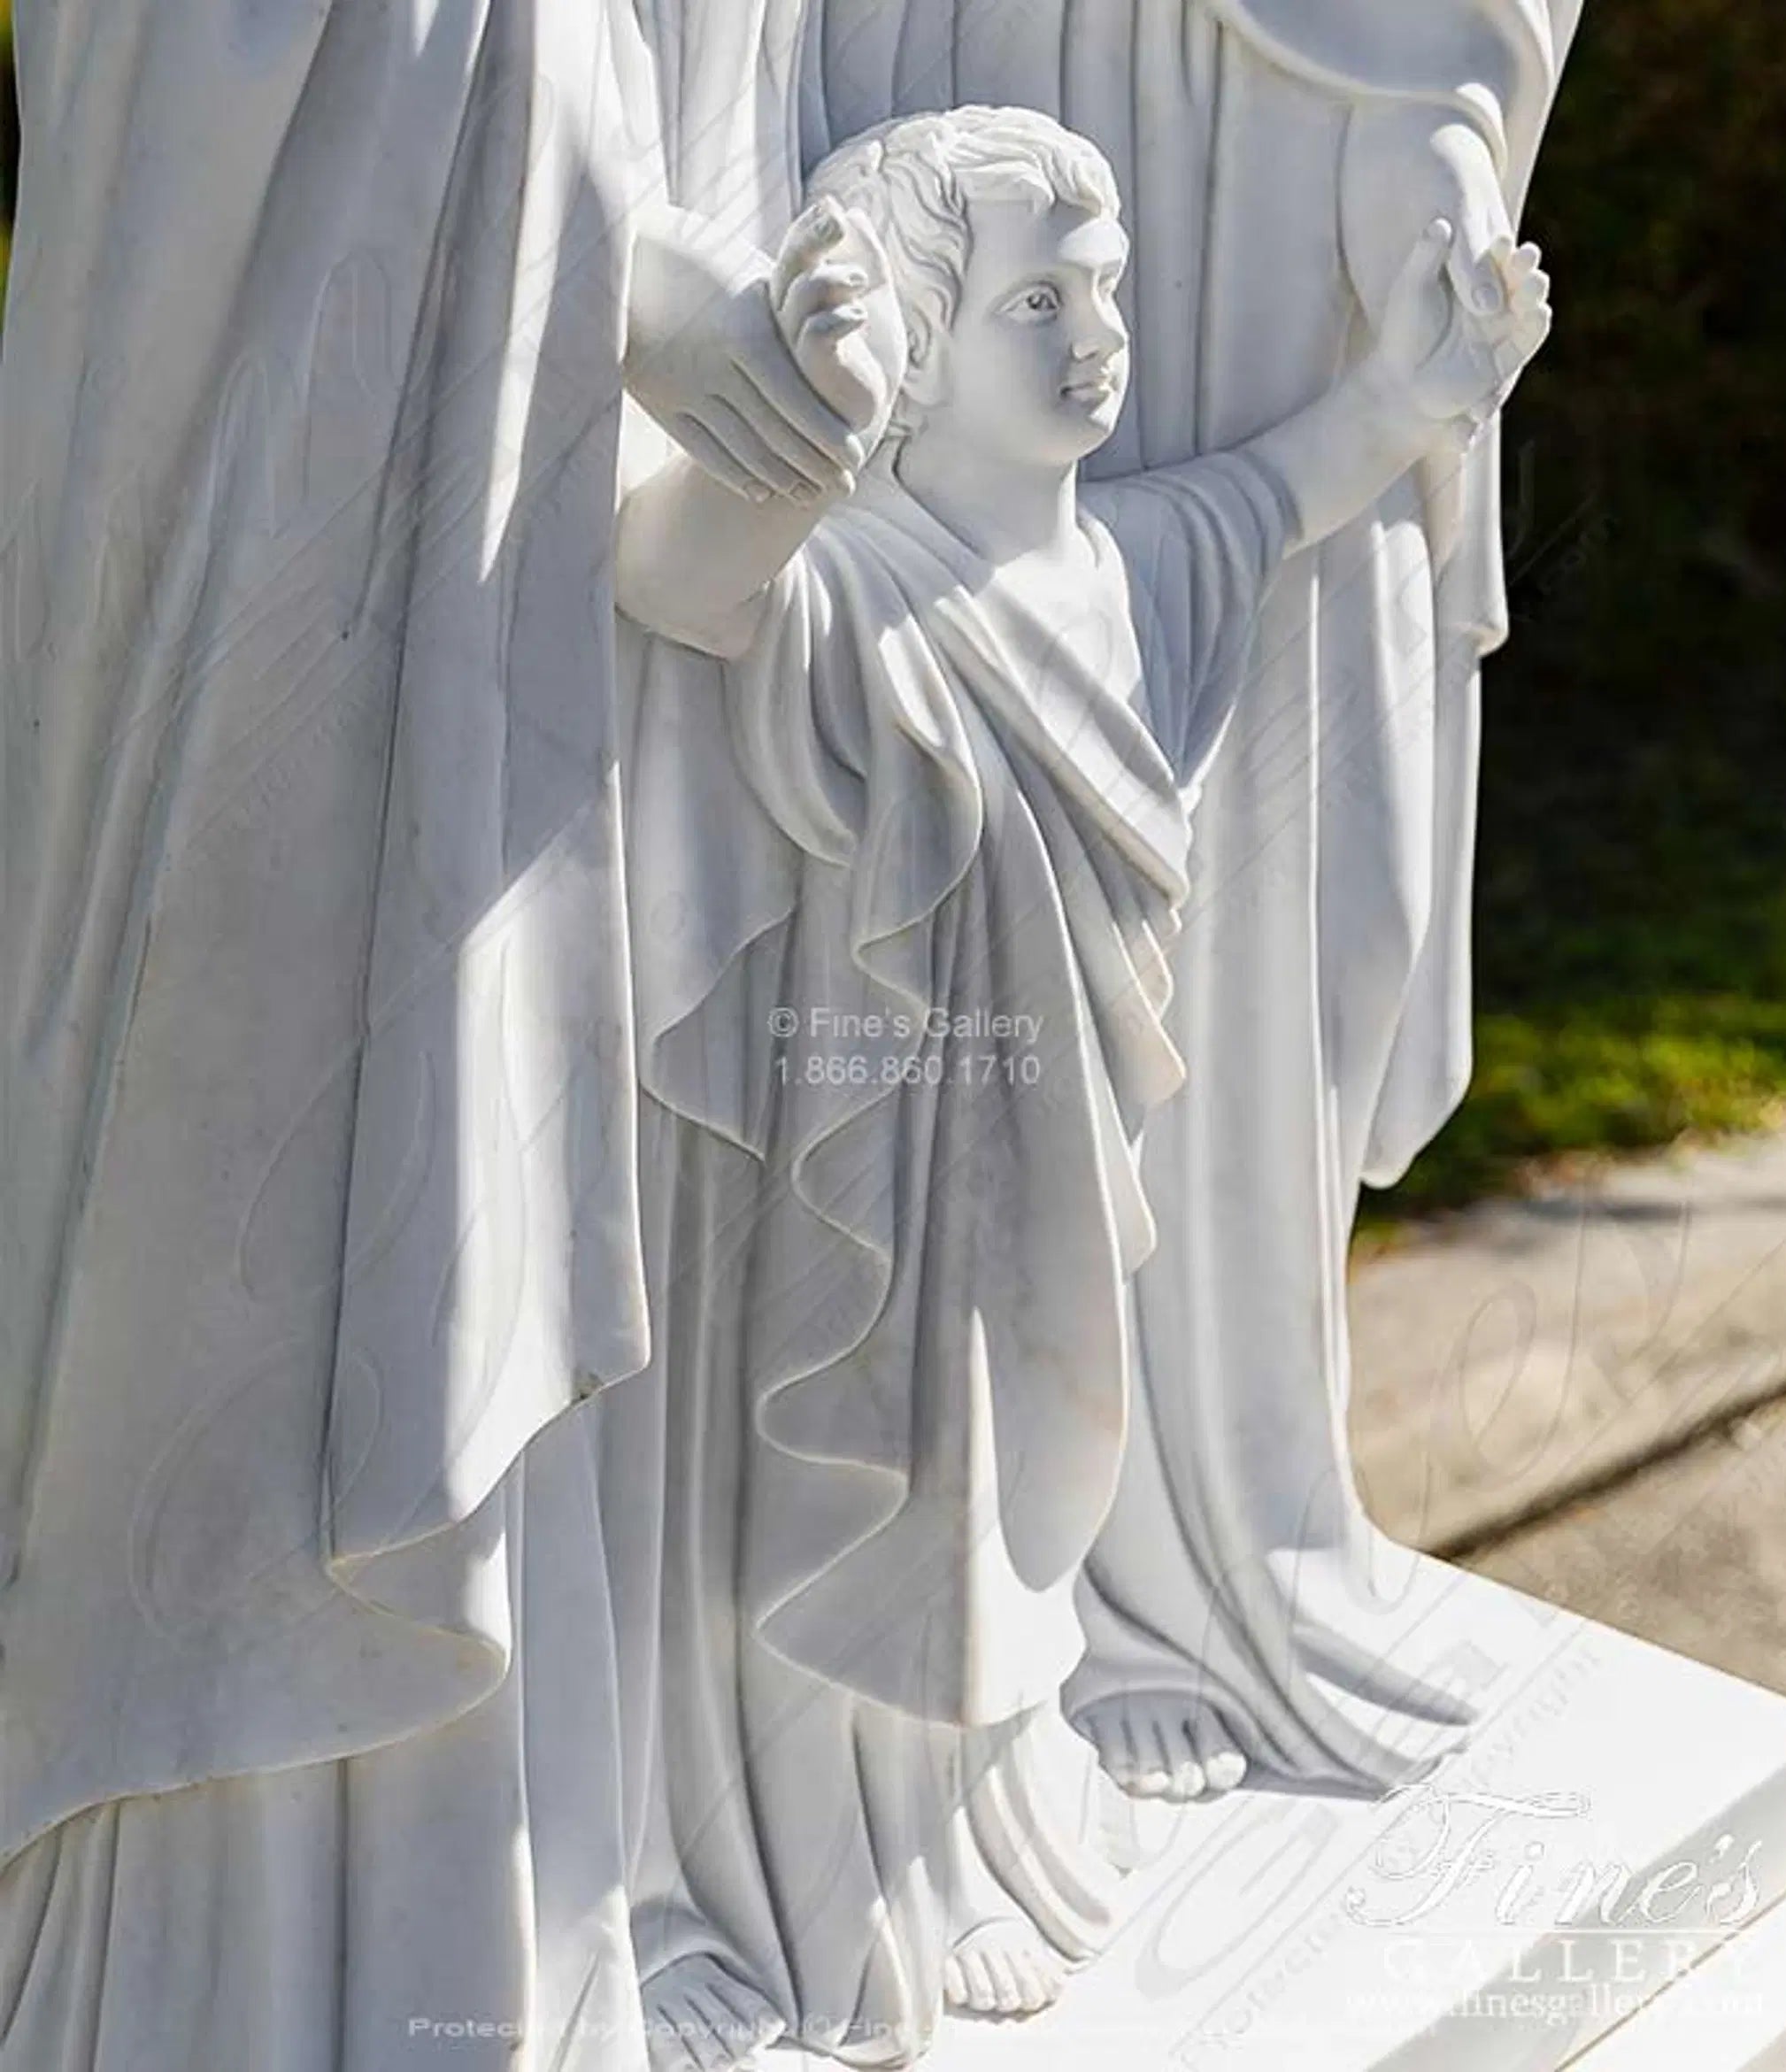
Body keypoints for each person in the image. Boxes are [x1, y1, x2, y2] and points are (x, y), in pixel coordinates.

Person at [609, 103, 1549, 2069]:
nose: (1096, 334)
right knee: (846, 1496)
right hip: (844, 1162)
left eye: (1103, 289)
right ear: (919, 358)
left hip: (1026, 1168)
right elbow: (689, 589)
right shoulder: (859, 593)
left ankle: (965, 1835)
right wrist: (792, 421)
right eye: (1035, 301)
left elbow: (1282, 491)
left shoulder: (1131, 561)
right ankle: (805, 1875)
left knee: (1006, 1488)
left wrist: (1413, 389)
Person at [0, 5, 864, 2067]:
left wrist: (777, 395)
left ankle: (439, 1964)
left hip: (468, 782)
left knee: (425, 1251)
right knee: (237, 1264)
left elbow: (667, 563)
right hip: (227, 645)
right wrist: (649, 287)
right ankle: (194, 1975)